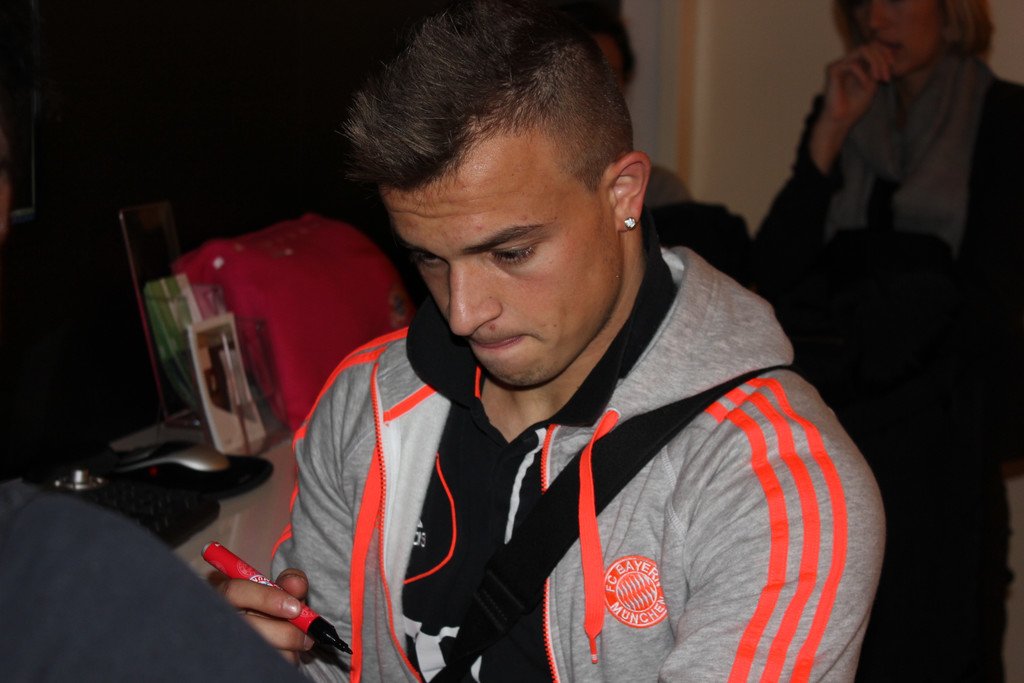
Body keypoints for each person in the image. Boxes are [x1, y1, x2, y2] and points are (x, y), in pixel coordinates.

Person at [221, 1, 884, 681]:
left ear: (624, 194)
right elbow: (331, 660)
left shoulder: (779, 485)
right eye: (429, 259)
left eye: (510, 253)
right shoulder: (363, 402)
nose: (463, 314)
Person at [753, 1, 1022, 680]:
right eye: (864, 1)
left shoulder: (1004, 115)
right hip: (842, 428)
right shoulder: (844, 108)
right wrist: (830, 132)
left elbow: (994, 297)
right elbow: (771, 275)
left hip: (944, 437)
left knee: (941, 638)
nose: (878, 17)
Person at [557, 1, 692, 209]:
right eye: (577, 78)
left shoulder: (660, 192)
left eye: (608, 78)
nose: (592, 93)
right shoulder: (519, 185)